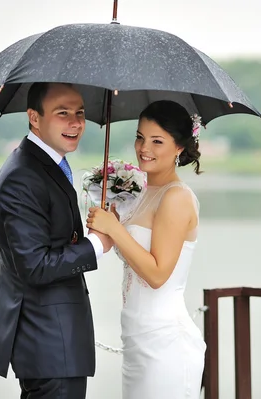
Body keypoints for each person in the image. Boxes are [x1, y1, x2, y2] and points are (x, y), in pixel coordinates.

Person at [0, 82, 114, 399]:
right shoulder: (22, 175)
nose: (76, 122)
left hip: (58, 343)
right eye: (63, 113)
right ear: (34, 117)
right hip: (47, 342)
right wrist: (95, 244)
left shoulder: (49, 165)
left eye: (80, 113)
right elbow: (34, 266)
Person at [86, 100, 206, 399]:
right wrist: (108, 229)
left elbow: (157, 274)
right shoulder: (141, 193)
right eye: (140, 137)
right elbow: (130, 254)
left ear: (179, 147)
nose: (144, 148)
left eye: (157, 141)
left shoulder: (176, 197)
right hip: (136, 337)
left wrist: (116, 230)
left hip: (165, 342)